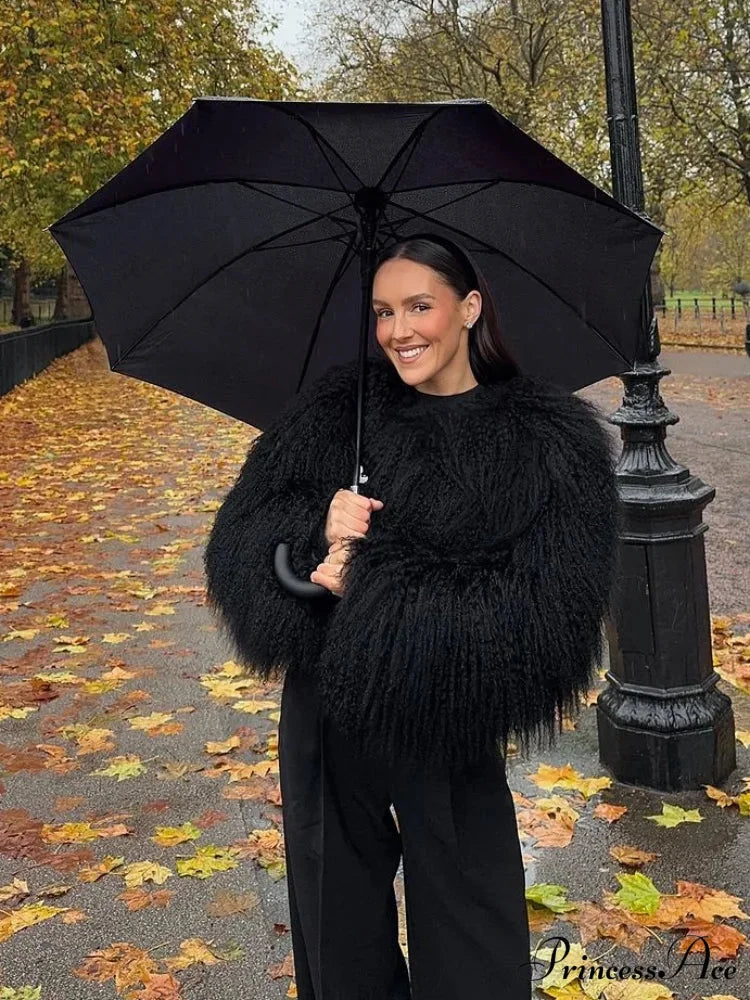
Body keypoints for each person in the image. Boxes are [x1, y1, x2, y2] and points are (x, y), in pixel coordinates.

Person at [203, 233, 621, 1000]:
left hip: (449, 712)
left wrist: (377, 584)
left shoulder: (544, 441)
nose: (398, 331)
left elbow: (551, 613)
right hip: (328, 710)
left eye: (419, 306)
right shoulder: (341, 410)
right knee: (337, 921)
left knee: (471, 921)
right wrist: (315, 541)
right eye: (383, 312)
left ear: (469, 308)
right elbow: (241, 538)